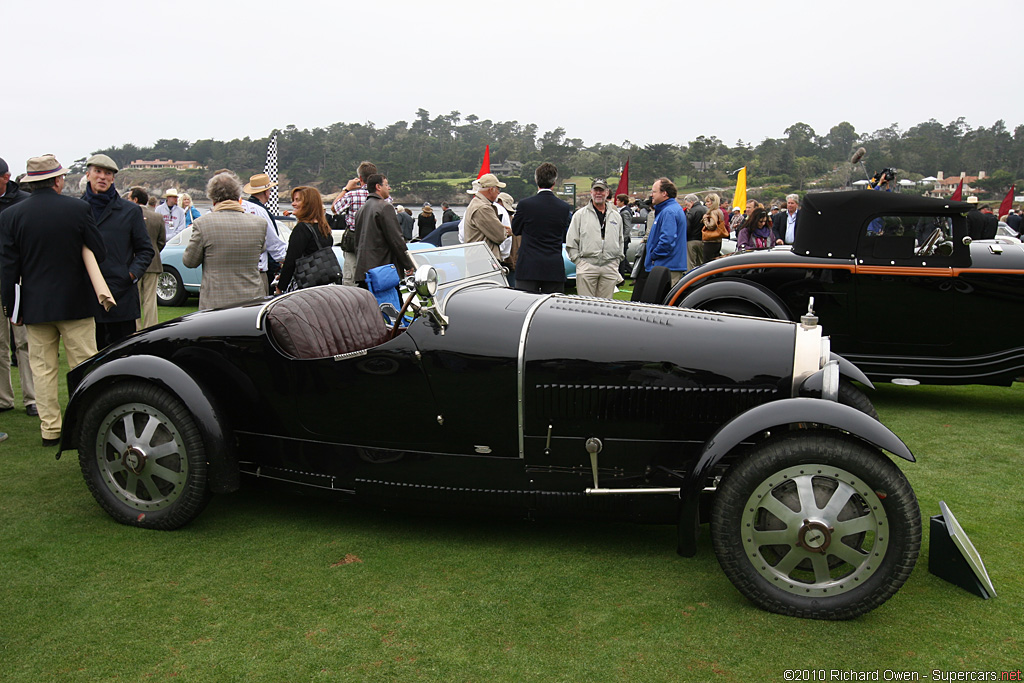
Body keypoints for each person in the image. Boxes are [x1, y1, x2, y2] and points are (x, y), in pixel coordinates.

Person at [0, 154, 107, 446]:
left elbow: (8, 269)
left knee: (43, 370)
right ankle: (87, 423)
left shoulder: (10, 216)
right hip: (76, 303)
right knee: (84, 365)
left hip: (35, 305)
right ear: (58, 180)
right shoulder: (78, 209)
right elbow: (100, 250)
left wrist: (12, 308)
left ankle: (51, 430)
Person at [83, 154, 154, 349]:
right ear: (88, 174)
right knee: (88, 360)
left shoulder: (130, 211)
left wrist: (130, 275)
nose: (102, 177)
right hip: (85, 297)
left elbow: (145, 250)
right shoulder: (76, 210)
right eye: (98, 172)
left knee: (123, 357)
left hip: (121, 296)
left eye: (108, 173)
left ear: (113, 179)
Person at [182, 171, 266, 310]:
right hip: (252, 301)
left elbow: (189, 261)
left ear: (212, 196)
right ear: (238, 194)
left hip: (216, 301)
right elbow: (261, 250)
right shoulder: (259, 224)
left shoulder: (203, 224)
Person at [0, 157, 36, 417]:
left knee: (24, 341)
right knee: (0, 343)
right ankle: (4, 398)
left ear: (6, 177)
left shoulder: (23, 201)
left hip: (20, 279)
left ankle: (31, 398)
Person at [511, 164, 571, 293]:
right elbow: (565, 234)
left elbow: (515, 230)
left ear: (536, 180)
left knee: (524, 306)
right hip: (553, 265)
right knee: (551, 309)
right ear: (554, 182)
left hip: (528, 265)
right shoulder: (564, 207)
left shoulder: (525, 205)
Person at [566, 179, 624, 298]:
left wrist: (616, 261)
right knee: (586, 307)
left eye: (601, 190)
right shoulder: (579, 215)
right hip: (587, 265)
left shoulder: (616, 216)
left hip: (609, 266)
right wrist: (579, 262)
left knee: (605, 307)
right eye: (596, 190)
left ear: (607, 193)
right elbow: (571, 241)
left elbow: (620, 240)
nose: (598, 193)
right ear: (591, 192)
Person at [352, 174, 415, 287]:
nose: (389, 188)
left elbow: (357, 241)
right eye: (386, 185)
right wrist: (408, 263)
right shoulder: (385, 207)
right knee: (392, 303)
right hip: (382, 272)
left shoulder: (361, 210)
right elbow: (396, 239)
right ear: (378, 187)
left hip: (363, 271)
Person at [276, 186, 337, 293]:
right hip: (324, 284)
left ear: (308, 204)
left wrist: (281, 287)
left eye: (297, 200)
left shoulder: (302, 228)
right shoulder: (323, 228)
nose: (293, 204)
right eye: (293, 200)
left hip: (306, 286)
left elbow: (291, 261)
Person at [332, 161, 377, 286]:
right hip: (374, 242)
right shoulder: (383, 197)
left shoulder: (352, 195)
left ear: (360, 178)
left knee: (351, 277)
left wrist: (346, 189)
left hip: (353, 239)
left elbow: (335, 208)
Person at [241, 173, 288, 294]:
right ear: (266, 192)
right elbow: (273, 244)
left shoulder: (242, 207)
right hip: (260, 268)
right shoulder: (261, 211)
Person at [129, 187, 166, 329]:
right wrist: (153, 251)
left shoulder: (129, 214)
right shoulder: (157, 217)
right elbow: (161, 241)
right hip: (153, 261)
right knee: (151, 300)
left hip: (133, 262)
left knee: (135, 299)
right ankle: (151, 328)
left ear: (135, 199)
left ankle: (136, 328)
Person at [645, 177, 687, 285]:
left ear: (664, 193)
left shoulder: (669, 212)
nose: (651, 195)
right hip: (668, 265)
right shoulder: (670, 209)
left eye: (654, 191)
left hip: (667, 267)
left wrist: (653, 255)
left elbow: (667, 240)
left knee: (662, 300)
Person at [465, 173, 513, 261]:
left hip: (476, 258)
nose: (499, 192)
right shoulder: (483, 208)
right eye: (498, 189)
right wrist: (507, 231)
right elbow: (499, 235)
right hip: (483, 259)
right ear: (491, 190)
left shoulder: (476, 203)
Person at [701, 193, 728, 262]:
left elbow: (711, 226)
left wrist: (705, 219)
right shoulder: (720, 211)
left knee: (707, 261)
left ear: (713, 202)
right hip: (718, 240)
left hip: (711, 240)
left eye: (708, 201)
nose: (706, 204)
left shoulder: (713, 212)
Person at [682, 193, 706, 270]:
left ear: (691, 202)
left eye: (687, 204)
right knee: (702, 264)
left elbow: (687, 227)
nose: (686, 206)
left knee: (691, 264)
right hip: (703, 240)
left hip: (691, 240)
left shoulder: (691, 212)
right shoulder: (705, 209)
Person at [614, 193, 633, 278]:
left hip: (624, 238)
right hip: (624, 238)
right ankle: (632, 273)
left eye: (618, 200)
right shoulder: (624, 210)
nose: (616, 202)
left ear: (622, 201)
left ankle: (622, 275)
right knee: (623, 258)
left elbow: (627, 227)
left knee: (622, 258)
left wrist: (623, 238)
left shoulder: (625, 212)